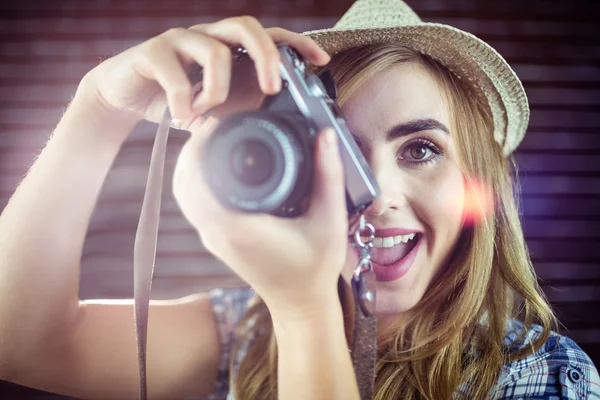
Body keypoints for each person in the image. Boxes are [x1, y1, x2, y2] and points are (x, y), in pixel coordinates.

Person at [0, 0, 598, 399]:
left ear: (476, 182)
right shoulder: (242, 332)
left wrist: (304, 310)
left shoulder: (541, 376)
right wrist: (99, 108)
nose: (378, 195)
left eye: (419, 150)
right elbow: (19, 343)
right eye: (341, 151)